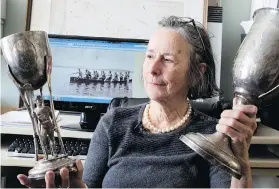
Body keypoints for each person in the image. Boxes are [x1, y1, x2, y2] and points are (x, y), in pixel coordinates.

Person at [17, 16, 257, 188]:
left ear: (196, 73)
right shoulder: (112, 124)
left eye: (167, 59)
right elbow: (87, 185)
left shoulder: (211, 137)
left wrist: (241, 161)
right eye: (150, 56)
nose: (152, 69)